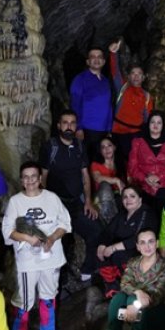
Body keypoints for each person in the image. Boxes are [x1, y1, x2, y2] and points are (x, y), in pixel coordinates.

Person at [2, 161, 72, 330]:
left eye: (34, 176)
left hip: (51, 257)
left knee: (49, 296)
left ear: (40, 178)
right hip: (28, 261)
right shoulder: (16, 202)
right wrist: (28, 238)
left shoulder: (52, 198)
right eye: (26, 177)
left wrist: (51, 238)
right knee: (24, 302)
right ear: (22, 180)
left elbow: (64, 223)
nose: (30, 180)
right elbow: (7, 231)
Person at [39, 110, 103, 283]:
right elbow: (43, 176)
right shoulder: (50, 147)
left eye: (72, 123)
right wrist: (45, 203)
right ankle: (61, 277)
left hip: (76, 203)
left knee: (95, 230)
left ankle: (88, 267)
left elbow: (85, 175)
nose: (69, 126)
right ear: (59, 125)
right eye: (65, 122)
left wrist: (88, 201)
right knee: (62, 240)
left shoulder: (80, 146)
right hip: (57, 204)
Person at [103, 227, 165, 330]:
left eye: (150, 241)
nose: (147, 246)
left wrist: (134, 303)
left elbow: (155, 296)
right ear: (137, 246)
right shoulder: (133, 262)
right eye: (142, 242)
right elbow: (124, 283)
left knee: (132, 300)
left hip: (162, 312)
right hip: (135, 312)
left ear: (157, 243)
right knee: (117, 299)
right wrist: (138, 292)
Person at [96, 186, 159, 299]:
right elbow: (107, 232)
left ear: (140, 199)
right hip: (121, 251)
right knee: (101, 254)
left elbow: (139, 238)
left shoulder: (146, 213)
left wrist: (114, 248)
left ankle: (131, 287)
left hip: (141, 250)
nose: (128, 199)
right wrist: (102, 245)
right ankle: (112, 287)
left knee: (118, 255)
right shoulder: (122, 215)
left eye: (132, 196)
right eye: (125, 197)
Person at [109, 39, 155, 166]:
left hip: (136, 134)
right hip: (119, 132)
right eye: (133, 74)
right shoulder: (122, 88)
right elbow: (115, 73)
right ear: (128, 76)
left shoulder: (147, 96)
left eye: (139, 74)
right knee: (120, 163)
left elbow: (147, 118)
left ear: (144, 77)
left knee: (135, 162)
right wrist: (113, 54)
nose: (136, 76)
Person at [127, 110, 165, 212]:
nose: (155, 125)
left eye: (159, 122)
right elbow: (132, 167)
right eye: (153, 122)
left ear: (163, 125)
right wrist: (145, 178)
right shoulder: (138, 141)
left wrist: (158, 177)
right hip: (143, 185)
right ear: (148, 124)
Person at [70, 46, 113, 162]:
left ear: (104, 61)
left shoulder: (105, 81)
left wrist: (109, 129)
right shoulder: (80, 79)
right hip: (87, 130)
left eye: (99, 57)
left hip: (103, 130)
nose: (96, 59)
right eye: (92, 57)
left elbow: (108, 105)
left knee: (100, 162)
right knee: (86, 162)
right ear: (88, 61)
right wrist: (78, 127)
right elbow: (75, 105)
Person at [90, 136, 124, 220]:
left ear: (114, 147)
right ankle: (111, 223)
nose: (107, 149)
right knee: (105, 185)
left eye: (109, 145)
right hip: (101, 199)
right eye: (103, 147)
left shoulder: (122, 162)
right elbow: (97, 178)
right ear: (100, 151)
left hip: (118, 197)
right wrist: (116, 180)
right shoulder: (95, 164)